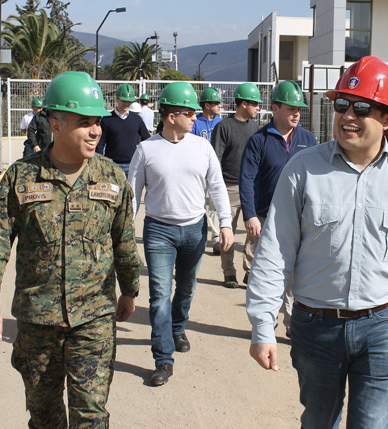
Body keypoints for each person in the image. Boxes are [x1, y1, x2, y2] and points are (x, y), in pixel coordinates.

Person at [247, 55, 388, 429]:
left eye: (362, 107)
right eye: (342, 105)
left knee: (372, 424)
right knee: (320, 421)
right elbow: (275, 250)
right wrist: (263, 326)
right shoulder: (304, 168)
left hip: (381, 325)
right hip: (316, 326)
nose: (348, 116)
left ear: (386, 118)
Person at [0, 71, 144, 427]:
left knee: (90, 416)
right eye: (84, 123)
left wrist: (129, 291)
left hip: (94, 319)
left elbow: (124, 240)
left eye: (97, 122)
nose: (96, 131)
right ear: (57, 125)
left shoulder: (112, 178)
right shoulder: (20, 178)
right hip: (38, 321)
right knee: (44, 414)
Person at [128, 81, 233, 386]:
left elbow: (216, 187)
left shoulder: (202, 147)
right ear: (172, 116)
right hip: (159, 230)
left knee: (186, 287)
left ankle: (177, 326)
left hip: (194, 229)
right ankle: (163, 358)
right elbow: (133, 195)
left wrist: (224, 223)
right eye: (190, 112)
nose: (195, 116)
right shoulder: (146, 150)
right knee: (159, 295)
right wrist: (123, 232)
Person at [240, 80, 317, 337]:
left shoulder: (308, 139)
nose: (297, 113)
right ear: (275, 108)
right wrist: (250, 214)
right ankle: (265, 323)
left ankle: (292, 327)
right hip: (265, 217)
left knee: (296, 276)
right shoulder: (258, 140)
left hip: (299, 218)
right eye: (291, 107)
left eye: (299, 108)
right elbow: (247, 179)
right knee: (265, 273)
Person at [211, 83, 261, 288]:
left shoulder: (255, 128)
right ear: (243, 103)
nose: (258, 107)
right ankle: (228, 272)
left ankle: (249, 270)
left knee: (253, 232)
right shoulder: (224, 127)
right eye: (255, 103)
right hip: (229, 187)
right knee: (228, 231)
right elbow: (215, 159)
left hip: (251, 188)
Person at [192, 87, 223, 254]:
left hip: (216, 168)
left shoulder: (221, 122)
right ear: (206, 105)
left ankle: (217, 238)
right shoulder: (196, 123)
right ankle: (197, 235)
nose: (219, 105)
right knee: (197, 202)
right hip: (198, 168)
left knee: (215, 204)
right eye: (216, 103)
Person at [96, 83, 150, 178]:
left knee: (131, 192)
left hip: (132, 164)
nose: (127, 104)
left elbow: (147, 140)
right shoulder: (107, 120)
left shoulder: (137, 119)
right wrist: (100, 163)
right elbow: (100, 144)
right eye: (124, 100)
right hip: (112, 165)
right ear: (117, 99)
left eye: (129, 101)